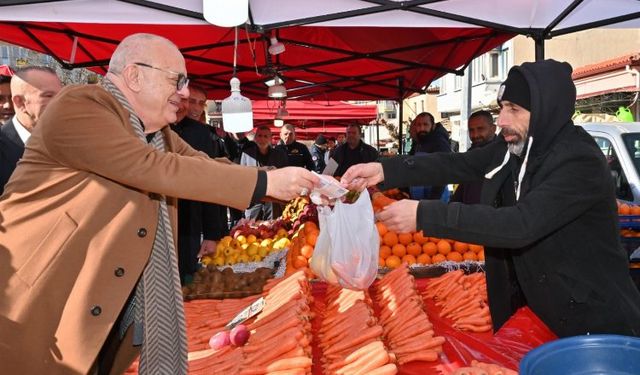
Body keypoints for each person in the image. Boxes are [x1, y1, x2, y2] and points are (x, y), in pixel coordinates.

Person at [0, 33, 318, 375]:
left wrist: (295, 182)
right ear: (135, 75)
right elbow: (151, 168)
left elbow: (207, 166)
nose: (184, 92)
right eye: (177, 80)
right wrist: (268, 182)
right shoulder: (80, 105)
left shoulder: (157, 134)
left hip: (98, 306)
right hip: (40, 301)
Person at [341, 59, 640, 338]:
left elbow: (521, 223)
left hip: (595, 320)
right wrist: (384, 169)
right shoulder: (518, 144)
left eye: (514, 109)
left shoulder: (579, 161)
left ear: (546, 111)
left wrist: (424, 215)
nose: (503, 120)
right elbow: (459, 164)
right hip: (547, 312)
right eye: (502, 108)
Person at [170, 96, 225, 284]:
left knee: (185, 278)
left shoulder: (201, 133)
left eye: (200, 103)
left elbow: (210, 179)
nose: (191, 107)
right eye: (188, 100)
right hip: (153, 224)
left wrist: (212, 233)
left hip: (188, 221)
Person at [0, 66, 62, 195]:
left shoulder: (68, 141)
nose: (59, 102)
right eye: (48, 95)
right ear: (20, 102)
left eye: (61, 95)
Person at [241, 126, 288, 220]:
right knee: (249, 230)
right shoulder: (246, 154)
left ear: (271, 138)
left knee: (273, 229)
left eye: (265, 136)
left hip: (273, 202)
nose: (262, 139)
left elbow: (285, 176)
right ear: (255, 138)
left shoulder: (280, 155)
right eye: (259, 136)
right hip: (253, 201)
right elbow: (242, 176)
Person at [450, 110, 497, 204]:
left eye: (480, 129)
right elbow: (462, 189)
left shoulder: (502, 156)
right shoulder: (470, 155)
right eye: (471, 130)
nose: (475, 135)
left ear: (493, 129)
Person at [408, 112, 451, 201]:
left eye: (425, 124)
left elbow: (444, 172)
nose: (422, 128)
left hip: (435, 200)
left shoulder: (440, 142)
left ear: (433, 126)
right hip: (421, 199)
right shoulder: (419, 141)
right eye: (419, 125)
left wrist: (433, 200)